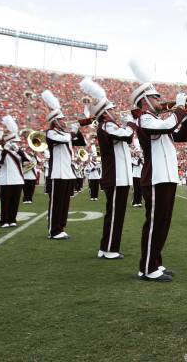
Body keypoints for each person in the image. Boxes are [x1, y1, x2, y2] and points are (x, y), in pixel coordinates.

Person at [129, 80, 187, 281]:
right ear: (145, 100)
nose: (161, 99)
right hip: (156, 177)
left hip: (167, 177)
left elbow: (181, 136)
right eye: (156, 96)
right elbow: (168, 125)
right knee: (155, 224)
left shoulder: (157, 120)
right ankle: (148, 267)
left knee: (163, 224)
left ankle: (154, 262)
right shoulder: (145, 119)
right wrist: (180, 110)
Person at [81, 77, 133, 260]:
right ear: (104, 113)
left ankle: (107, 247)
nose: (115, 111)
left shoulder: (109, 125)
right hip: (116, 177)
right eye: (111, 109)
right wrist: (129, 123)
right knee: (115, 215)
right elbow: (127, 135)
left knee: (116, 214)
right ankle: (109, 249)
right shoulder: (107, 125)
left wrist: (126, 125)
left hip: (119, 177)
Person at [41, 90, 87, 240]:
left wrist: (77, 130)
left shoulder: (65, 134)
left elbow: (81, 143)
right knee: (56, 203)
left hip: (67, 173)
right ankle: (53, 230)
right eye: (62, 119)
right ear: (55, 121)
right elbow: (65, 138)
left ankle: (60, 228)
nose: (64, 121)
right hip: (57, 173)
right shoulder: (50, 133)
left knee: (65, 203)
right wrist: (72, 131)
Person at [0, 116, 29, 228]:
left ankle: (12, 219)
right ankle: (4, 220)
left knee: (15, 201)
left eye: (17, 142)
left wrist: (19, 150)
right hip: (5, 180)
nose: (16, 143)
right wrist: (5, 149)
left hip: (18, 180)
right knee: (5, 202)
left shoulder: (19, 152)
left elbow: (27, 160)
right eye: (14, 142)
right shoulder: (2, 151)